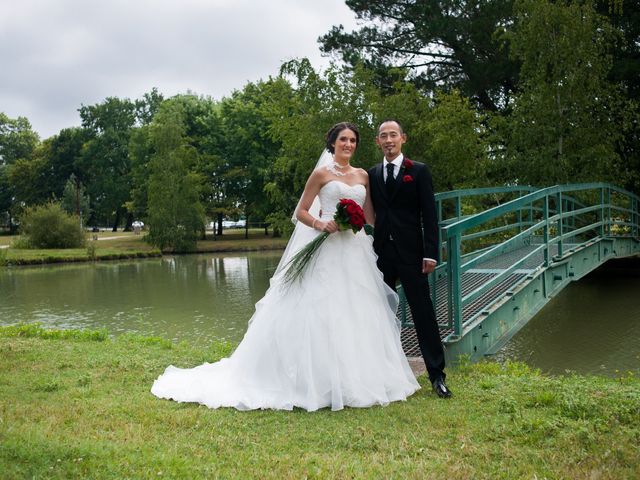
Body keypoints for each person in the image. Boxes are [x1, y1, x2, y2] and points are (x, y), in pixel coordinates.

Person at [151, 122, 420, 411]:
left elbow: (369, 217)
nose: (349, 145)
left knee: (356, 311)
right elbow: (300, 212)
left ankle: (354, 379)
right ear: (333, 143)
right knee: (319, 311)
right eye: (343, 139)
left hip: (354, 251)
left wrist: (400, 235)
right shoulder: (321, 174)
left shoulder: (363, 176)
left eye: (353, 140)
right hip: (325, 248)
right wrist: (321, 223)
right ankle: (312, 380)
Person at [366, 119, 452, 398]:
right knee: (380, 314)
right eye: (383, 136)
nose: (388, 140)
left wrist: (431, 253)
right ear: (377, 142)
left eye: (393, 135)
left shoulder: (418, 172)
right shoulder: (373, 174)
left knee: (423, 313)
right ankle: (381, 373)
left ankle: (437, 376)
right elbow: (370, 213)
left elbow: (429, 215)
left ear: (403, 138)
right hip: (381, 254)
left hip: (414, 255)